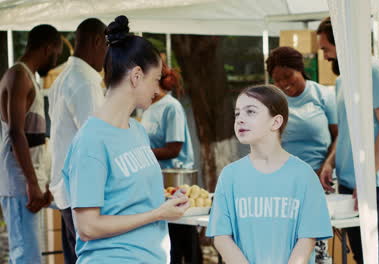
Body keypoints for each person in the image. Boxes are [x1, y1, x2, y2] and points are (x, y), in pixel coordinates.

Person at [61, 15, 189, 263]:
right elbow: (88, 227)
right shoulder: (91, 142)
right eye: (156, 79)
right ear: (137, 75)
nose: (157, 89)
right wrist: (156, 214)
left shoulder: (137, 131)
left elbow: (130, 201)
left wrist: (166, 203)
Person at [207, 84, 332, 264]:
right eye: (237, 113)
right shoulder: (230, 176)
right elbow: (221, 237)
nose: (240, 119)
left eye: (250, 112)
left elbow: (307, 240)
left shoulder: (304, 176)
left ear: (276, 122)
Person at [317, 17, 379, 264]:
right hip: (348, 181)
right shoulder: (343, 80)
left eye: (326, 49)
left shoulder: (375, 71)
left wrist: (366, 178)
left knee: (374, 253)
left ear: (341, 42)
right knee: (361, 254)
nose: (325, 56)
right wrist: (329, 163)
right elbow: (345, 132)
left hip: (375, 181)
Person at [266, 46, 338, 263]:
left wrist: (327, 166)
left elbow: (339, 136)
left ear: (300, 69)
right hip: (284, 182)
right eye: (277, 80)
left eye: (288, 76)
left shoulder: (323, 95)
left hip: (320, 179)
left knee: (314, 245)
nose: (283, 84)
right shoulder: (274, 102)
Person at [0, 24, 62, 264]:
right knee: (27, 258)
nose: (55, 60)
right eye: (56, 54)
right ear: (47, 48)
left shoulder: (26, 76)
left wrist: (40, 181)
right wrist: (32, 183)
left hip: (26, 182)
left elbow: (33, 139)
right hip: (19, 184)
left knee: (30, 257)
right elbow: (16, 133)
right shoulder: (18, 75)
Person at [48, 18, 107, 264]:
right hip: (82, 193)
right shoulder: (85, 81)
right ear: (96, 42)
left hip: (67, 188)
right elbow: (95, 141)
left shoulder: (63, 77)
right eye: (106, 47)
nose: (107, 55)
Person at [141, 63, 199, 263]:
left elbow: (174, 148)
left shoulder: (171, 107)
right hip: (158, 181)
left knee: (183, 240)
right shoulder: (147, 107)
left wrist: (141, 154)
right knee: (169, 239)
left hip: (176, 179)